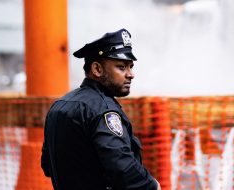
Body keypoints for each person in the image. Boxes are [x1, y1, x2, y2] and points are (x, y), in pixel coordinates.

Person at [41, 28, 161, 190]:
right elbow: (122, 168)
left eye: (130, 67)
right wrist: (152, 186)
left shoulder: (60, 104)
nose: (130, 74)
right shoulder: (103, 110)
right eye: (121, 67)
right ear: (97, 69)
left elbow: (47, 166)